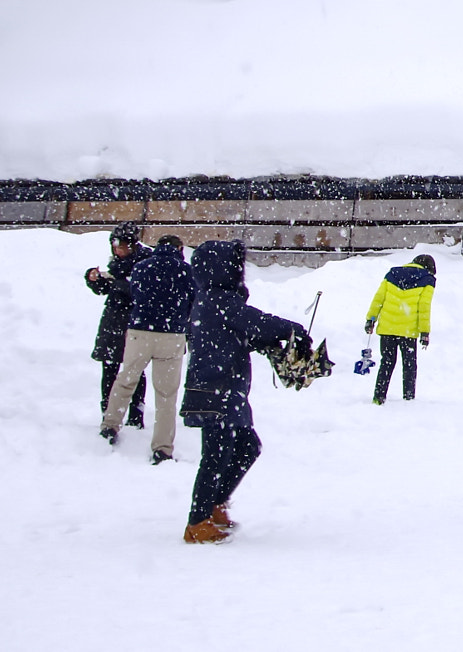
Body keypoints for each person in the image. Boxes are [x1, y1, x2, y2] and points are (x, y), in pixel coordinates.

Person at [179, 240, 311, 544]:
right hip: (215, 388)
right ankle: (197, 522)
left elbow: (242, 331)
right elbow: (255, 323)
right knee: (215, 456)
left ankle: (214, 504)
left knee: (246, 447)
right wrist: (292, 329)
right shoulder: (217, 300)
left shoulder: (215, 300)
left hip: (226, 390)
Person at [102, 235, 196, 462]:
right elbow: (192, 300)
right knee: (166, 395)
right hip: (171, 335)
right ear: (179, 248)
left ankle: (110, 426)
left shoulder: (141, 267)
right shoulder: (187, 271)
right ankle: (162, 448)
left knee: (125, 380)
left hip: (139, 332)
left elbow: (135, 294)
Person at [85, 222, 152, 426]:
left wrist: (117, 283)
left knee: (134, 370)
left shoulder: (145, 262)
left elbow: (140, 290)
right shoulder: (117, 265)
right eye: (115, 246)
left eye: (122, 246)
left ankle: (135, 415)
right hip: (114, 321)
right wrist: (94, 279)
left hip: (133, 322)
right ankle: (108, 412)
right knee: (110, 369)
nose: (118, 250)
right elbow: (106, 289)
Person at [364, 253, 436, 404]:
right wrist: (425, 332)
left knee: (387, 363)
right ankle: (408, 398)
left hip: (387, 329)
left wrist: (371, 319)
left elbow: (379, 298)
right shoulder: (427, 280)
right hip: (408, 332)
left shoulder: (392, 274)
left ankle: (378, 397)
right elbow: (424, 307)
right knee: (409, 365)